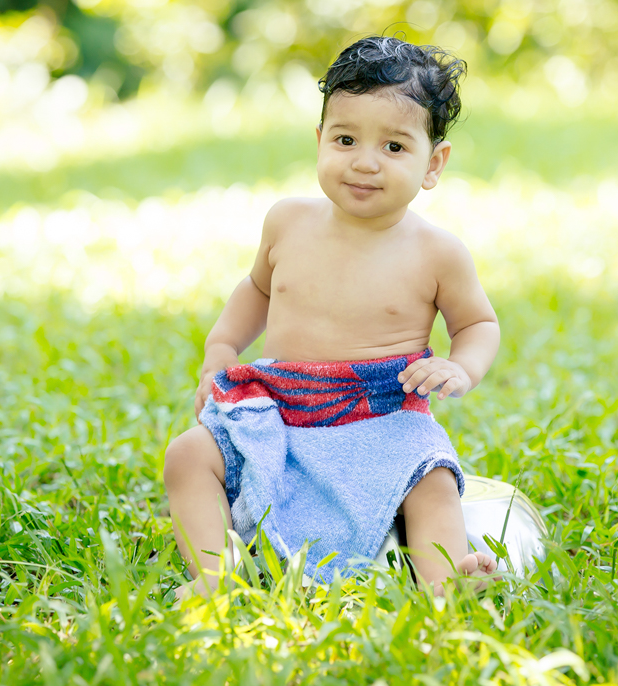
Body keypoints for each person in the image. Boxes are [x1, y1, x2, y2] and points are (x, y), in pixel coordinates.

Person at [163, 35, 501, 600]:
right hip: (280, 408)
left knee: (433, 479)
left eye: (394, 146)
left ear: (432, 164)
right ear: (320, 140)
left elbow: (477, 325)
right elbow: (257, 289)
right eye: (346, 140)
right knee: (188, 454)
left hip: (383, 417)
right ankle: (217, 573)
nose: (365, 162)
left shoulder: (436, 252)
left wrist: (461, 367)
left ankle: (443, 582)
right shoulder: (288, 222)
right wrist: (220, 351)